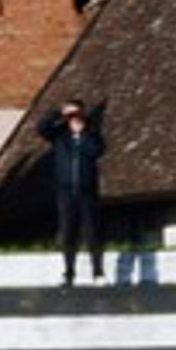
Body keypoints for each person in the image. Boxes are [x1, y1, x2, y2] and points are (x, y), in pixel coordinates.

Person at [38, 97, 107, 287]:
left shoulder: (93, 135)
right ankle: (69, 273)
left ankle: (98, 272)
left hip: (87, 191)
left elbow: (97, 151)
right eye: (71, 115)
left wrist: (82, 135)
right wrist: (59, 112)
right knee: (68, 233)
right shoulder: (59, 136)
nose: (74, 118)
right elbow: (41, 127)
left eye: (77, 114)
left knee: (93, 232)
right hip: (65, 191)